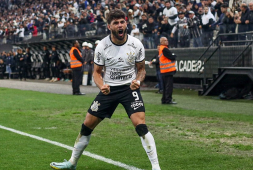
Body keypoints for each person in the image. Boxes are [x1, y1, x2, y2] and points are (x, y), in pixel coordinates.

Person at [50, 9, 161, 170]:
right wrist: (102, 85)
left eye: (122, 22)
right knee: (86, 125)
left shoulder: (136, 44)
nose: (120, 25)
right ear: (109, 26)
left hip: (130, 89)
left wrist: (138, 80)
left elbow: (142, 69)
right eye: (116, 23)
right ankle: (72, 163)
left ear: (126, 24)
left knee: (141, 126)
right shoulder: (102, 46)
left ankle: (156, 167)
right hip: (109, 89)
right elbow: (96, 73)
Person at [159, 37, 177, 104]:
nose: (167, 41)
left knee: (165, 86)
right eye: (165, 40)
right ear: (162, 42)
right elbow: (171, 57)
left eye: (167, 40)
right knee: (169, 87)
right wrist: (174, 55)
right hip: (168, 70)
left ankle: (164, 99)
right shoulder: (164, 49)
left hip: (164, 71)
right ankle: (168, 100)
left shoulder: (161, 49)